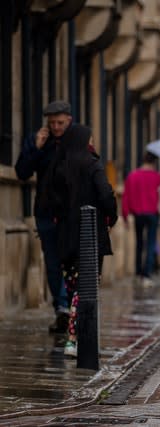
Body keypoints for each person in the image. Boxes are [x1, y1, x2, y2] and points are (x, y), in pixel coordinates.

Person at [40, 124, 118, 357]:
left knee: (74, 285)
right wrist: (110, 217)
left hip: (64, 236)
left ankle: (77, 338)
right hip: (90, 234)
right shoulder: (92, 163)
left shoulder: (58, 165)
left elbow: (49, 199)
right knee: (86, 288)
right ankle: (73, 339)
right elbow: (105, 193)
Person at [14, 100, 73, 333]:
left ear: (69, 119)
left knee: (70, 261)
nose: (56, 127)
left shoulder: (77, 141)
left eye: (60, 123)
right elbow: (21, 172)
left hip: (69, 213)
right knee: (52, 262)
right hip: (46, 212)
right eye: (52, 123)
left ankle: (69, 306)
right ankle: (61, 308)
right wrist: (36, 149)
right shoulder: (39, 140)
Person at [121, 152, 160, 286]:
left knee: (139, 243)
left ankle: (138, 272)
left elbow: (126, 196)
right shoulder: (158, 178)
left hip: (138, 214)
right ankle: (147, 274)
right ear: (154, 163)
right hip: (152, 214)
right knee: (151, 243)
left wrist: (125, 215)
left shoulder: (132, 176)